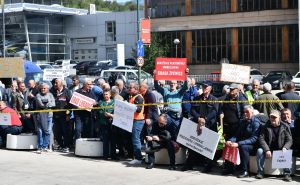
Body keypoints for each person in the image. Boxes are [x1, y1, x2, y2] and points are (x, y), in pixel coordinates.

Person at [181, 80, 219, 172]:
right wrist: (199, 118)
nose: (204, 88)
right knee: (193, 145)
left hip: (210, 125)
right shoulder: (197, 98)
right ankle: (189, 164)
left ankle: (208, 166)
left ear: (210, 88)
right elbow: (192, 110)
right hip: (197, 124)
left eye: (206, 87)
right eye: (203, 87)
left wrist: (205, 119)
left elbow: (214, 112)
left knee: (208, 147)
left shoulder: (215, 99)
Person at [255, 110, 293, 181]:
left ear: (279, 118)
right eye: (271, 117)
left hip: (281, 148)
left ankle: (287, 174)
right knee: (259, 151)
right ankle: (260, 172)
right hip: (269, 148)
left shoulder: (285, 126)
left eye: (274, 117)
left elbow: (289, 140)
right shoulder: (265, 126)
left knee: (288, 151)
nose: (272, 119)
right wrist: (266, 149)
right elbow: (261, 138)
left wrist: (285, 147)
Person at [226, 105, 261, 178]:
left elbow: (254, 139)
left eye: (247, 112)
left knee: (243, 147)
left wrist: (238, 143)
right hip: (243, 143)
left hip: (254, 145)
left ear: (252, 113)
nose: (245, 114)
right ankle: (229, 169)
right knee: (229, 144)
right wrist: (230, 140)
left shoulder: (256, 123)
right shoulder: (242, 122)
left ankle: (245, 171)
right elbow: (237, 135)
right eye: (244, 112)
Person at [51, 78, 72, 152]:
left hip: (64, 115)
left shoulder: (67, 91)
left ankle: (66, 146)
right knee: (57, 131)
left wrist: (68, 115)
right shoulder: (52, 91)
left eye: (56, 83)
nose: (55, 84)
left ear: (61, 84)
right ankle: (60, 145)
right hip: (55, 115)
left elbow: (70, 104)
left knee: (65, 131)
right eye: (54, 83)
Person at [127, 82, 145, 165]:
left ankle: (138, 158)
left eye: (131, 87)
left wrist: (128, 106)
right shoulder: (132, 97)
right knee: (134, 138)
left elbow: (138, 109)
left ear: (136, 89)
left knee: (136, 139)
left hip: (138, 120)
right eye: (129, 87)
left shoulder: (139, 97)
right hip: (134, 120)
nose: (129, 89)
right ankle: (136, 156)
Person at [35, 83, 56, 153]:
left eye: (44, 88)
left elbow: (54, 104)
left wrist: (47, 104)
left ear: (48, 89)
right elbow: (41, 104)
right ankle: (40, 147)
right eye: (42, 88)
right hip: (40, 116)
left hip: (49, 116)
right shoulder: (38, 95)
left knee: (48, 131)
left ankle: (45, 146)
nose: (43, 89)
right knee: (40, 132)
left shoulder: (50, 95)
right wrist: (48, 103)